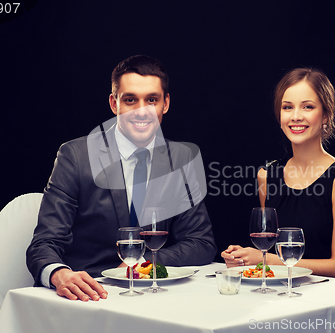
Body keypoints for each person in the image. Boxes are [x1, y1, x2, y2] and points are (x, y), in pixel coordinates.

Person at [27, 55, 217, 301]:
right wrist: (59, 274)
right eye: (130, 100)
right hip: (89, 295)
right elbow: (44, 244)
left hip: (155, 294)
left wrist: (143, 264)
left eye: (152, 100)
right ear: (114, 104)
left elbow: (201, 243)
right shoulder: (75, 156)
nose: (142, 111)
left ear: (166, 103)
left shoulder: (180, 160)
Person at [221, 68, 335, 279]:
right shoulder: (266, 175)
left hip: (331, 294)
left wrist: (264, 260)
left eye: (307, 107)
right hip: (282, 291)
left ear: (325, 114)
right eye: (287, 107)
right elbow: (267, 248)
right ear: (280, 116)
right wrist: (242, 258)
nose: (296, 116)